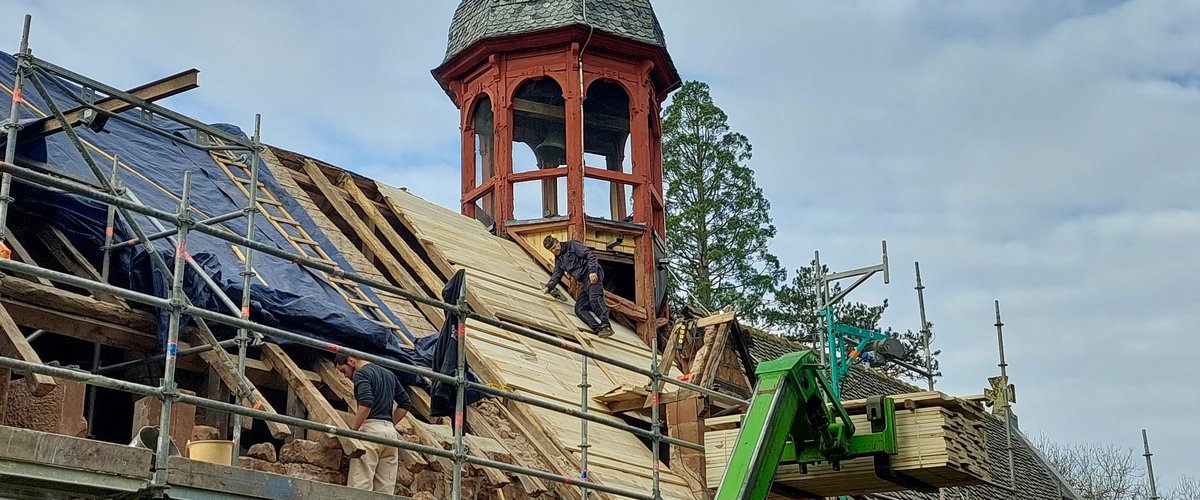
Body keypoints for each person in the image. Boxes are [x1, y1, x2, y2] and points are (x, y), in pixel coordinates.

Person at [334, 353, 412, 492]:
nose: (345, 376)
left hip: (370, 431)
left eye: (343, 371)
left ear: (351, 361)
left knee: (360, 487)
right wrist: (389, 424)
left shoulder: (360, 373)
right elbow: (405, 403)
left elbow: (366, 402)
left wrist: (354, 430)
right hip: (389, 435)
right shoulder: (389, 374)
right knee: (385, 490)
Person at [540, 235, 614, 338]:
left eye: (554, 247)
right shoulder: (559, 260)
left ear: (557, 242)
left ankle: (606, 325)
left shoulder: (572, 245)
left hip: (591, 273)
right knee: (579, 308)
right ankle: (598, 329)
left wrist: (592, 271)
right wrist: (548, 287)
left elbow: (590, 255)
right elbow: (556, 275)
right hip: (584, 281)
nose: (553, 251)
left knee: (595, 298)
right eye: (550, 250)